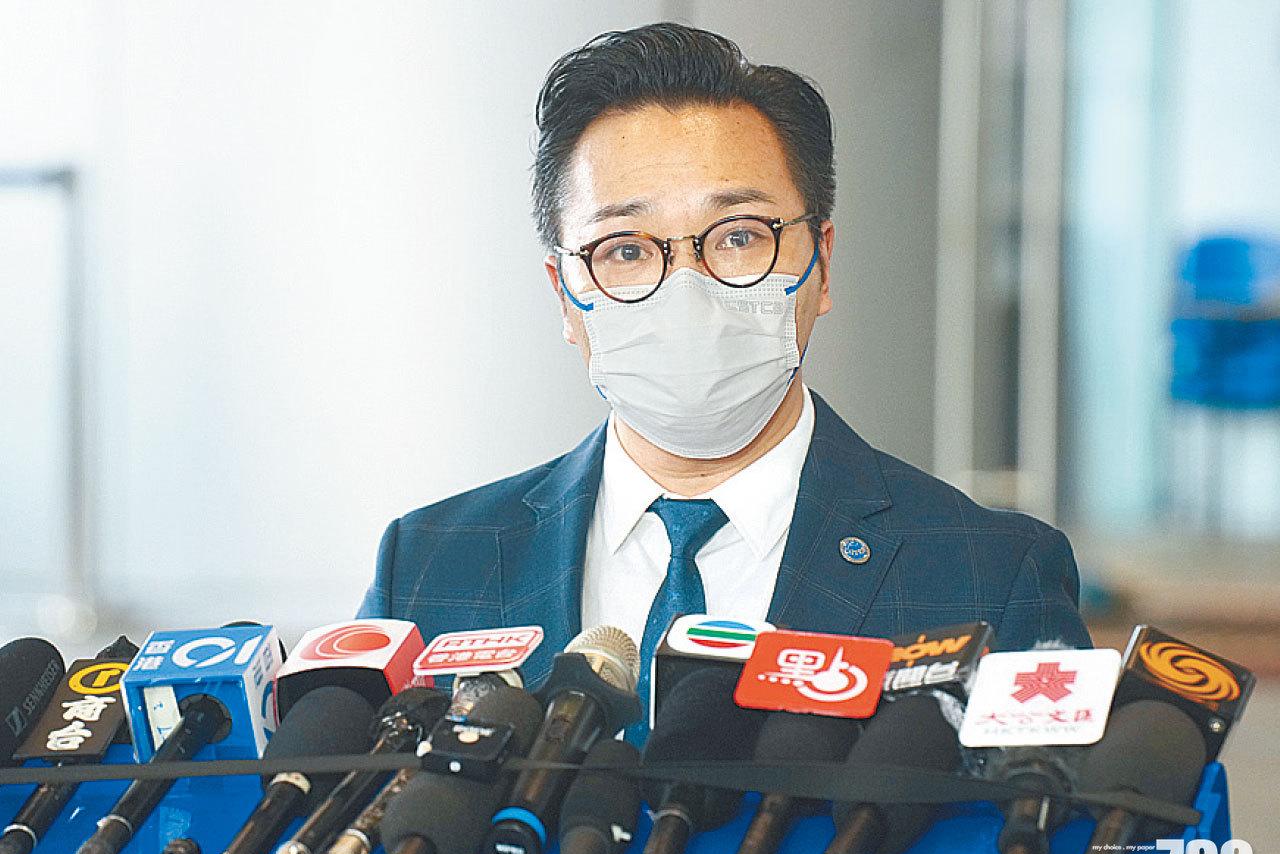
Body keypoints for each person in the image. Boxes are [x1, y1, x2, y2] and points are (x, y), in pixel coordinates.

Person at [358, 22, 1090, 695]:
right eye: (625, 250)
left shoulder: (989, 578)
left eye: (738, 236)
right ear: (564, 295)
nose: (688, 288)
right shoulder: (429, 566)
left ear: (822, 263)